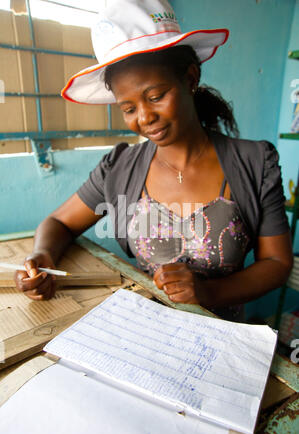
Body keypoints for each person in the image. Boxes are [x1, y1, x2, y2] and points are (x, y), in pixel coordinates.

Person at [14, 0, 293, 322]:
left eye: (156, 96)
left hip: (219, 334)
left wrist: (209, 293)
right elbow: (59, 223)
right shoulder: (119, 166)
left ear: (190, 79)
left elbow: (276, 263)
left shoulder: (254, 162)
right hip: (142, 327)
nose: (145, 118)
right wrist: (41, 258)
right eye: (128, 108)